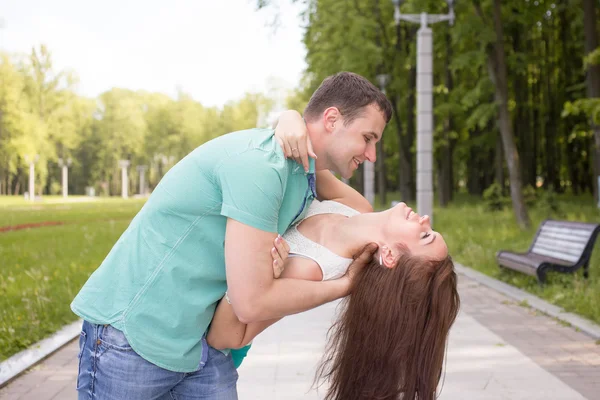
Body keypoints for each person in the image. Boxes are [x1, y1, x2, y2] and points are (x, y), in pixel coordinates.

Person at [70, 71, 393, 399]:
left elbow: (360, 210)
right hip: (132, 339)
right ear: (332, 118)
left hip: (198, 345)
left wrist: (291, 117)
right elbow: (251, 303)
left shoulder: (303, 170)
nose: (371, 155)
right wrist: (343, 286)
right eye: (368, 138)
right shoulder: (262, 167)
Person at [207, 196, 460, 400]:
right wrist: (290, 128)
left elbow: (225, 336)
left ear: (391, 255)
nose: (426, 219)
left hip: (201, 350)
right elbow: (313, 165)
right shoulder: (357, 207)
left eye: (425, 235)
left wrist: (254, 270)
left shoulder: (315, 269)